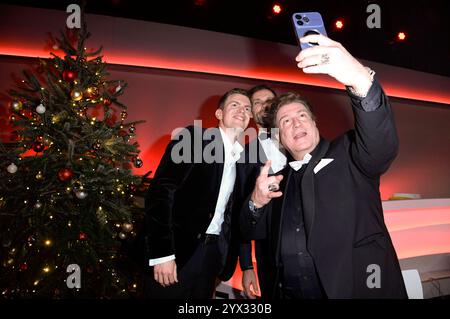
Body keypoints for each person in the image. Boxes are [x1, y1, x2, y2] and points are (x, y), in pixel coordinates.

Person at [240, 34, 407, 299]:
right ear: (279, 136)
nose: (295, 123)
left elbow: (381, 146)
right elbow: (248, 231)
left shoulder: (350, 153)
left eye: (302, 115)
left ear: (315, 123)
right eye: (285, 121)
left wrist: (360, 80)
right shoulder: (276, 181)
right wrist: (256, 202)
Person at [143, 88, 251, 298]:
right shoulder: (194, 138)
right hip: (177, 253)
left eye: (247, 108)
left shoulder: (243, 162)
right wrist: (163, 253)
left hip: (212, 258)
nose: (242, 111)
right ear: (219, 114)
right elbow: (160, 193)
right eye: (235, 105)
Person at [236, 85, 286, 299]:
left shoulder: (303, 141)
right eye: (257, 102)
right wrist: (247, 266)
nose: (265, 105)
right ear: (250, 112)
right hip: (268, 253)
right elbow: (241, 212)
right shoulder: (243, 157)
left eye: (269, 100)